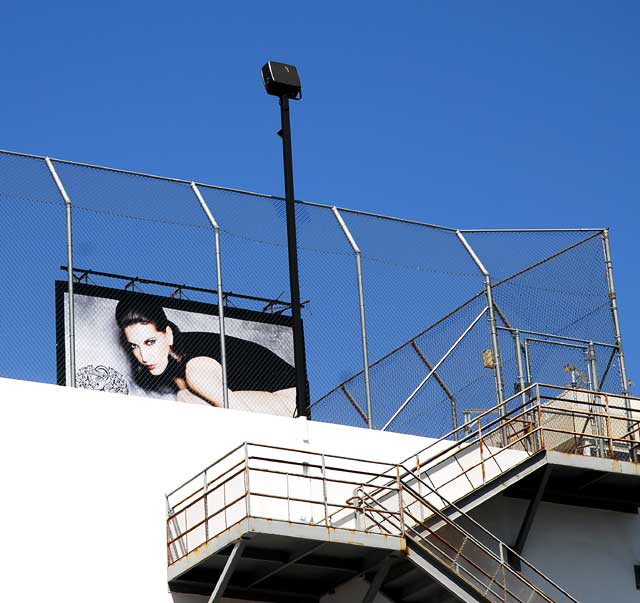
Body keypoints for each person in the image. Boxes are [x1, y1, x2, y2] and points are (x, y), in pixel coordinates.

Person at [115, 295, 297, 414]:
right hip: (272, 401)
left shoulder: (196, 368)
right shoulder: (175, 362)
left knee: (187, 400)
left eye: (150, 342)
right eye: (134, 346)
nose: (144, 356)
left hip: (292, 403)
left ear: (168, 334)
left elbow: (241, 416)